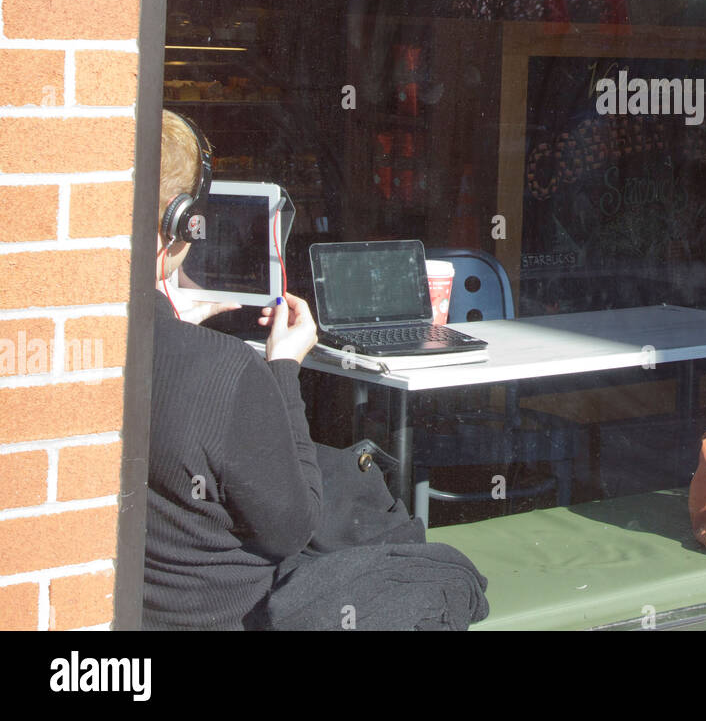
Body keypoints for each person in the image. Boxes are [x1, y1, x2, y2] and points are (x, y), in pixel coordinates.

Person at [145, 110, 487, 630]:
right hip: (237, 614)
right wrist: (282, 368)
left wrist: (172, 322)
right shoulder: (226, 371)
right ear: (180, 219)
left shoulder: (72, 347)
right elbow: (291, 529)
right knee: (436, 571)